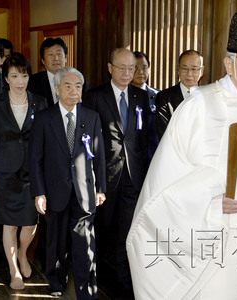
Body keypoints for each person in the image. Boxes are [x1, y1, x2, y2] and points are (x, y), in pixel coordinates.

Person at [126, 8, 237, 300]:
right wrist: (209, 204)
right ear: (229, 63)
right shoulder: (200, 106)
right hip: (212, 243)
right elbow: (166, 186)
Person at [29, 66, 106, 298]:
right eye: (68, 86)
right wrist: (39, 192)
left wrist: (100, 188)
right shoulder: (44, 118)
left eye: (78, 86)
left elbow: (99, 155)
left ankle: (87, 289)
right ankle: (56, 282)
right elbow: (35, 159)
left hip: (84, 192)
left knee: (85, 245)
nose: (74, 91)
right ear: (57, 88)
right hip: (54, 192)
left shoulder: (91, 117)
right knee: (56, 243)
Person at [83, 48, 149, 297]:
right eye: (121, 67)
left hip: (133, 176)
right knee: (101, 227)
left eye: (131, 68)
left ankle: (124, 280)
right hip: (105, 176)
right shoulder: (94, 96)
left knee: (127, 231)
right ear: (110, 68)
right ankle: (94, 275)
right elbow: (87, 140)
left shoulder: (141, 97)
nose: (126, 73)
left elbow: (142, 140)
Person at [0, 53, 47, 290]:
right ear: (6, 78)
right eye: (14, 76)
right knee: (8, 224)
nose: (20, 81)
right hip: (4, 171)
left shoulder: (40, 102)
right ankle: (13, 270)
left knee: (31, 223)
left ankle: (22, 253)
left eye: (25, 75)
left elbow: (45, 140)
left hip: (32, 171)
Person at [155, 49, 204, 139]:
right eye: (185, 69)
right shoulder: (164, 98)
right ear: (178, 70)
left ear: (201, 71)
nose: (189, 74)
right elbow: (164, 134)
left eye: (194, 69)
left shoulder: (208, 96)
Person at [28, 38, 90, 107]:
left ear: (66, 58)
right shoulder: (32, 82)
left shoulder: (79, 80)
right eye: (50, 54)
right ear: (43, 60)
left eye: (59, 54)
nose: (56, 58)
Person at [132, 51, 160, 161]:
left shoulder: (159, 96)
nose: (141, 72)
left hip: (153, 157)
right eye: (135, 68)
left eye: (144, 68)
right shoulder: (122, 97)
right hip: (131, 159)